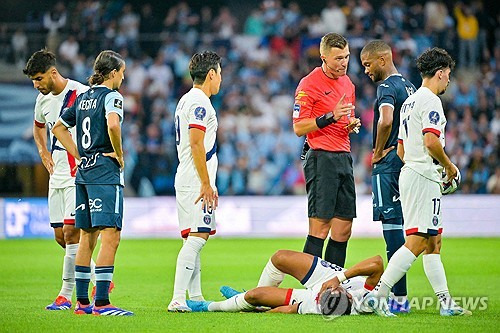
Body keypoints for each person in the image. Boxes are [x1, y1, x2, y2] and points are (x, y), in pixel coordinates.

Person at [364, 47, 471, 317]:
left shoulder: (411, 102)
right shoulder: (429, 100)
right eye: (448, 75)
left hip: (411, 173)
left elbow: (400, 148)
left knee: (433, 242)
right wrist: (448, 167)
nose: (448, 80)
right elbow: (431, 141)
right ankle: (379, 296)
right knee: (416, 242)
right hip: (423, 176)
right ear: (440, 73)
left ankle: (446, 304)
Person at [52, 50, 132, 316]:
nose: (122, 77)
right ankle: (102, 303)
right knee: (111, 236)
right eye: (121, 73)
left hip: (83, 174)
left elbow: (58, 128)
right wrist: (119, 154)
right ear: (112, 73)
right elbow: (113, 125)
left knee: (88, 237)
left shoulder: (83, 97)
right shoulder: (112, 96)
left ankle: (82, 303)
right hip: (104, 174)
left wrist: (79, 155)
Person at [23, 49, 98, 311]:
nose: (36, 84)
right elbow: (38, 126)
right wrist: (43, 151)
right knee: (60, 236)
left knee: (70, 232)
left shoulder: (79, 93)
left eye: (39, 78)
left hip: (77, 169)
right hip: (57, 171)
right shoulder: (42, 100)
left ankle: (66, 295)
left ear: (53, 72)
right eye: (34, 80)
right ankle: (98, 277)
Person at [292, 32, 360, 267]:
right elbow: (299, 127)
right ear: (323, 57)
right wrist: (330, 117)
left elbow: (346, 116)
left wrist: (351, 123)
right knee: (319, 227)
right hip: (320, 157)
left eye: (347, 57)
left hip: (344, 156)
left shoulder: (348, 84)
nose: (344, 63)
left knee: (343, 229)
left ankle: (334, 285)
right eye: (338, 58)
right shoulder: (309, 84)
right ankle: (310, 288)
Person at [360, 40, 416, 313]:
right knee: (406, 230)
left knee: (392, 230)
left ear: (382, 59)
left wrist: (378, 150)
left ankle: (399, 299)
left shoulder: (386, 88)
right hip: (407, 163)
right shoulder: (410, 87)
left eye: (368, 64)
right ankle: (400, 296)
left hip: (389, 165)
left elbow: (385, 120)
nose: (366, 71)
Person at [167, 51, 222, 312]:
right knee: (198, 237)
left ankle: (195, 295)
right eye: (219, 73)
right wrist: (206, 183)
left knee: (193, 237)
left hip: (186, 175)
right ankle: (178, 297)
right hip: (195, 178)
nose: (220, 79)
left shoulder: (184, 100)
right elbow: (196, 141)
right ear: (211, 74)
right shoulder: (201, 102)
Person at [185, 249, 391, 316]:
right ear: (346, 293)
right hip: (334, 276)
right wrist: (338, 279)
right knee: (281, 257)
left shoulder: (320, 305)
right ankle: (251, 298)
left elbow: (290, 310)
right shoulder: (365, 299)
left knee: (254, 297)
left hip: (316, 296)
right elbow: (377, 262)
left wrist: (262, 311)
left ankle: (208, 306)